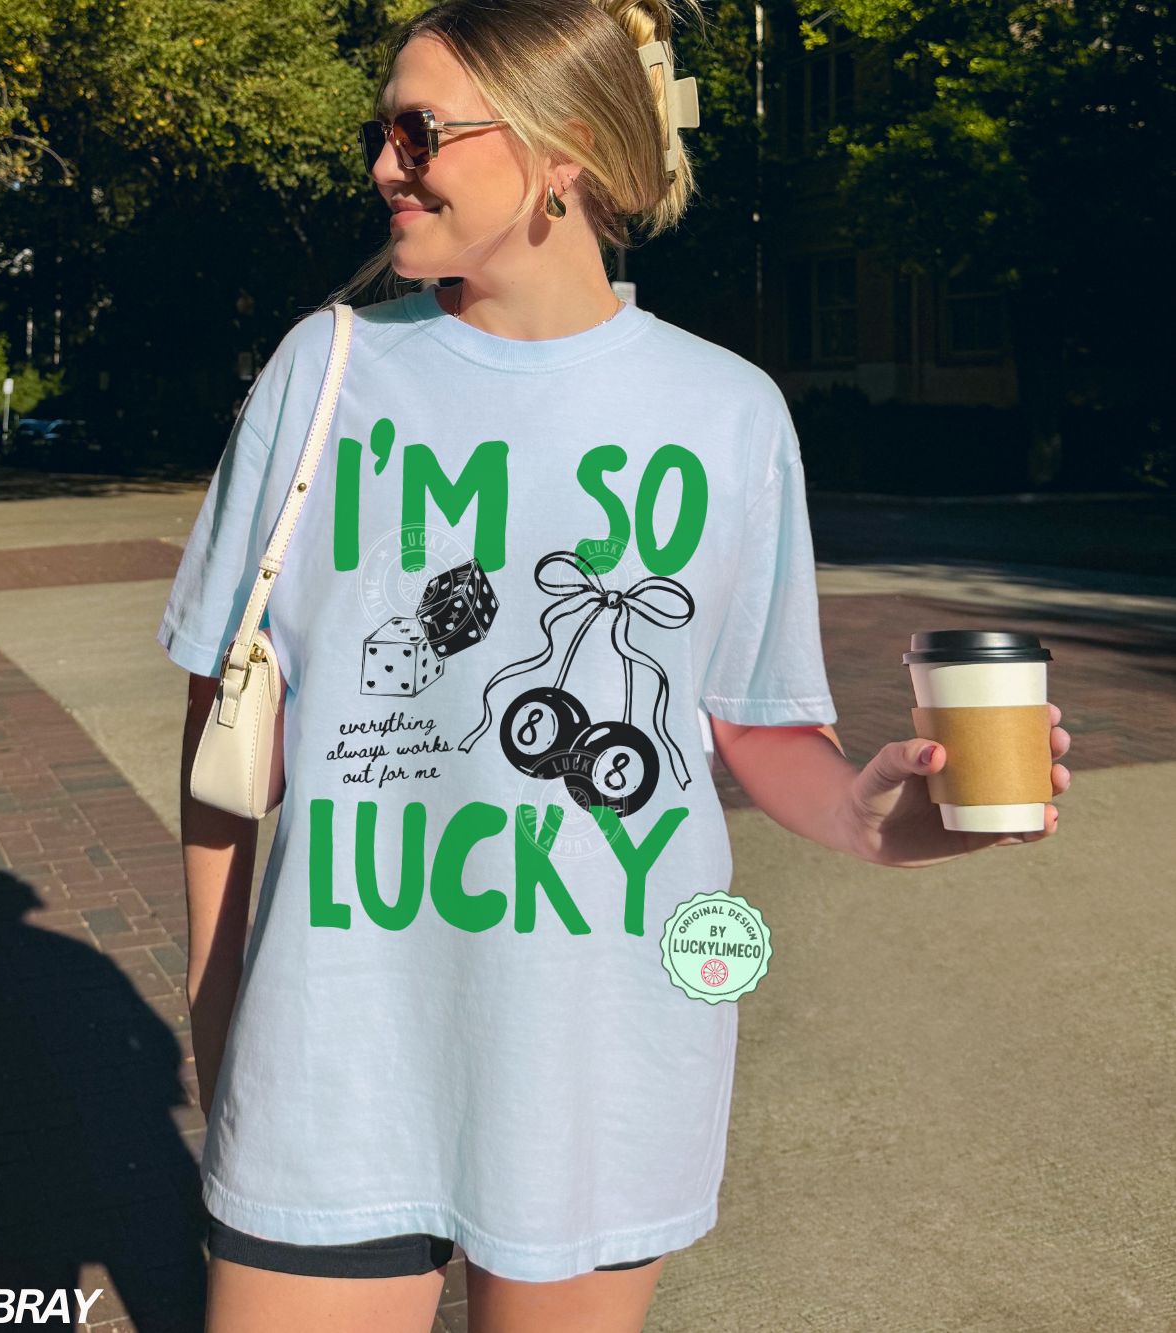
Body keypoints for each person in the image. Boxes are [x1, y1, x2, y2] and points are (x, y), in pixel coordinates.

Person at [156, 1, 1073, 1329]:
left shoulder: (725, 412)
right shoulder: (324, 374)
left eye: (419, 130)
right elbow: (222, 739)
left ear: (564, 151)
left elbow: (754, 730)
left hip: (598, 1062)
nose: (381, 165)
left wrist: (881, 820)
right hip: (331, 1066)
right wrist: (220, 1018)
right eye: (381, 129)